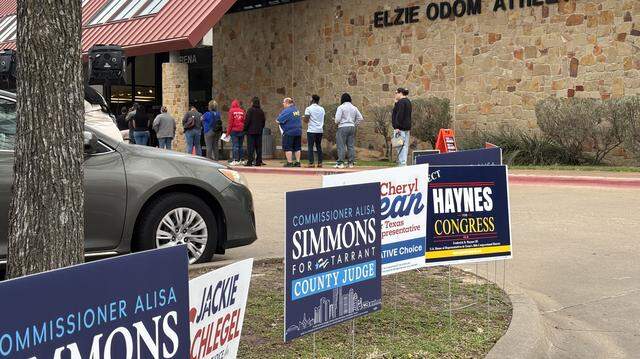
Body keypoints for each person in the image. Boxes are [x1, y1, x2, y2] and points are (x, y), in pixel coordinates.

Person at [334, 93, 363, 169]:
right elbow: (360, 118)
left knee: (341, 145)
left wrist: (336, 121)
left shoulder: (341, 107)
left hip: (343, 127)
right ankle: (351, 163)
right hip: (352, 127)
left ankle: (340, 163)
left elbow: (337, 120)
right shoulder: (354, 108)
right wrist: (354, 124)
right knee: (351, 146)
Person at [277, 97, 303, 167]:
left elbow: (278, 120)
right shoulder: (296, 110)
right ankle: (298, 162)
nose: (283, 104)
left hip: (289, 132)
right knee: (297, 147)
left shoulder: (287, 111)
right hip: (298, 131)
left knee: (288, 147)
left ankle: (289, 162)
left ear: (287, 103)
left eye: (283, 102)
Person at [304, 94, 325, 168]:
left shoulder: (308, 108)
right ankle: (320, 163)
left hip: (311, 130)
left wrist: (303, 118)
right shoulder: (322, 109)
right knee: (319, 146)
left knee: (310, 147)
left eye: (310, 99)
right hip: (320, 130)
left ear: (312, 100)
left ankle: (311, 163)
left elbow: (306, 120)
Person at [392, 88, 412, 166]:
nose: (395, 94)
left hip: (400, 128)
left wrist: (397, 126)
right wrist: (396, 103)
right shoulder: (408, 101)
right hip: (406, 128)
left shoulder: (401, 102)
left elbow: (399, 115)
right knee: (405, 146)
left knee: (399, 146)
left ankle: (402, 163)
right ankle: (404, 162)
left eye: (396, 93)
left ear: (400, 93)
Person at [244, 97, 266, 166]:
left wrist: (245, 128)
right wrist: (261, 128)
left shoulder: (250, 110)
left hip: (250, 132)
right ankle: (258, 161)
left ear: (252, 103)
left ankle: (250, 161)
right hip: (259, 131)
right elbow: (263, 121)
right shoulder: (261, 111)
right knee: (258, 147)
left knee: (251, 147)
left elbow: (247, 121)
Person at [227, 99, 246, 165]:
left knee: (235, 145)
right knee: (241, 146)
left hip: (234, 130)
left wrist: (228, 132)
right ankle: (242, 160)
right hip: (242, 130)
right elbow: (244, 121)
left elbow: (230, 122)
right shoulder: (242, 111)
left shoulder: (231, 111)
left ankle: (235, 160)